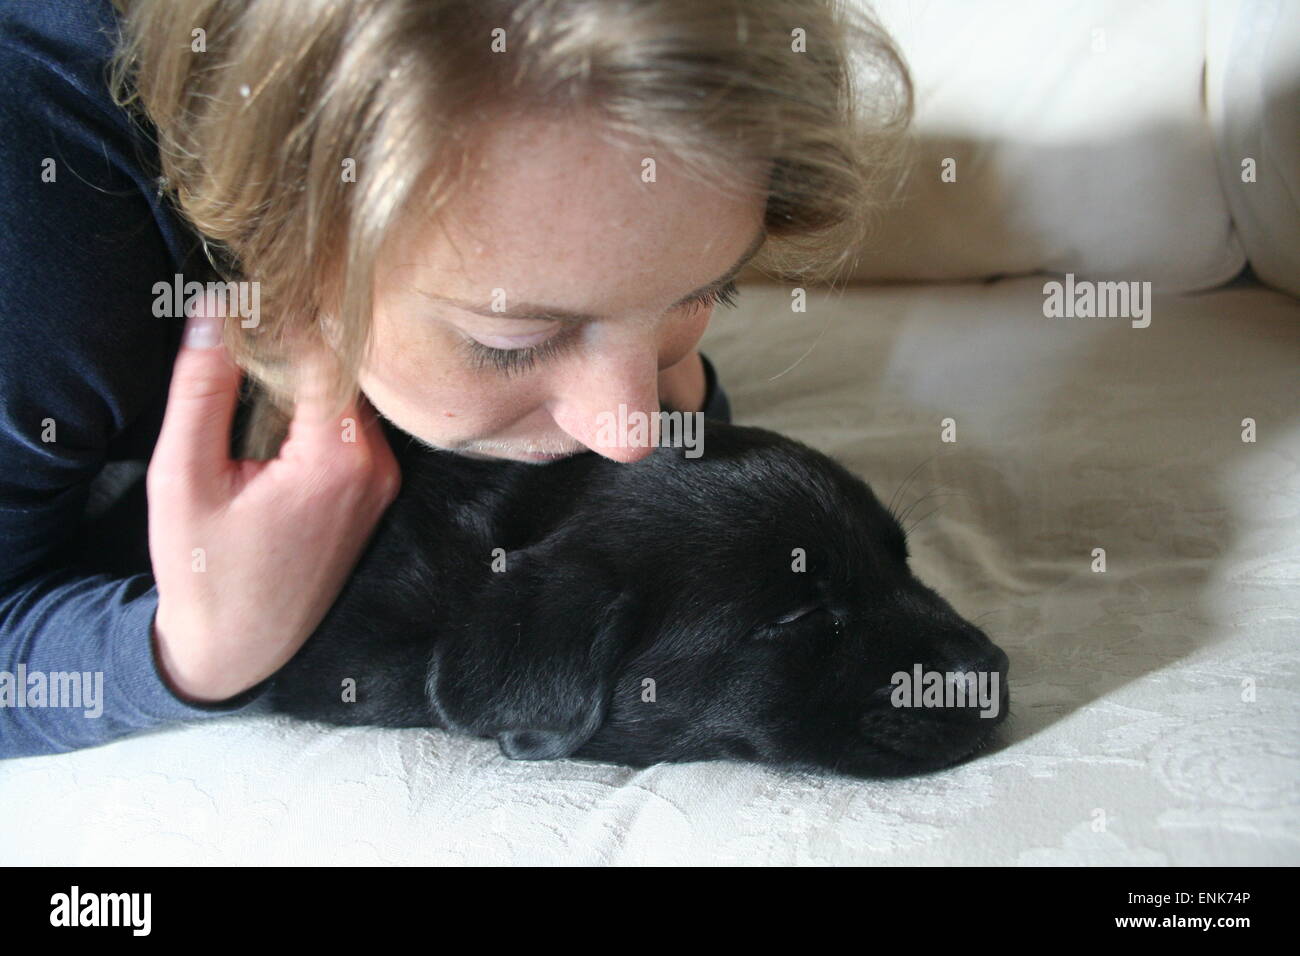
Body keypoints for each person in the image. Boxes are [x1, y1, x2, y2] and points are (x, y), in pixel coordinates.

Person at [0, 0, 911, 757]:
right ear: (280, 241)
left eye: (706, 292)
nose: (633, 431)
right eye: (512, 338)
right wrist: (185, 652)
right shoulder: (39, 246)